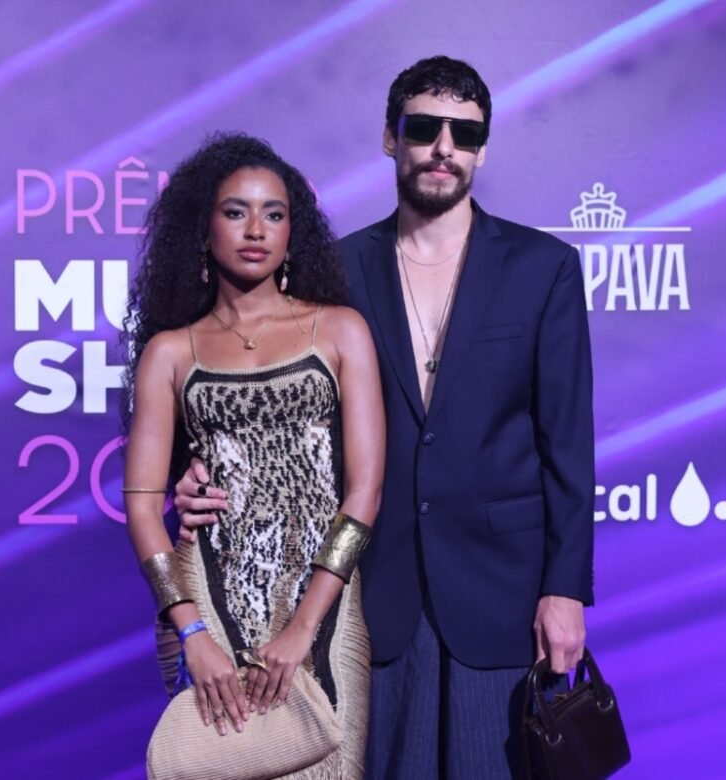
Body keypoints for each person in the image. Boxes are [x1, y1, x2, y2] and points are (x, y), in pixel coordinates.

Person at [174, 57, 595, 778]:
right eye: (424, 128)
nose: (443, 148)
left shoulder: (542, 267)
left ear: (482, 150)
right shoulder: (334, 271)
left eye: (464, 134)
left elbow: (568, 443)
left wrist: (566, 590)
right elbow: (274, 402)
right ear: (390, 138)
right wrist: (202, 473)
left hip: (503, 591)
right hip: (369, 593)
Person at [120, 133, 384, 778]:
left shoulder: (340, 330)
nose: (256, 230)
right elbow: (142, 505)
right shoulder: (170, 352)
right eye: (236, 212)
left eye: (274, 213)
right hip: (207, 603)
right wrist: (191, 631)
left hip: (323, 603)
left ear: (294, 232)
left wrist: (303, 628)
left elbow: (364, 492)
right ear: (203, 228)